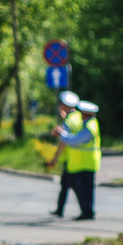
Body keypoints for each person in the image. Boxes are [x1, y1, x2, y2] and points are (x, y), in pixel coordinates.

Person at [54, 99, 101, 221]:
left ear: (85, 114)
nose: (80, 115)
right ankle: (87, 211)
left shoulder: (89, 127)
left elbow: (74, 141)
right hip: (85, 162)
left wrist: (62, 134)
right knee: (87, 189)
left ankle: (87, 211)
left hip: (84, 162)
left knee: (82, 188)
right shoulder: (87, 124)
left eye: (82, 113)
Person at [45, 90, 83, 218]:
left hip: (71, 158)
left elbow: (63, 142)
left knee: (73, 185)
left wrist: (55, 159)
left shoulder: (68, 121)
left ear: (65, 106)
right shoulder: (78, 117)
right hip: (78, 156)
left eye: (62, 104)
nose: (60, 106)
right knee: (65, 184)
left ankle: (85, 210)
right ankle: (60, 209)